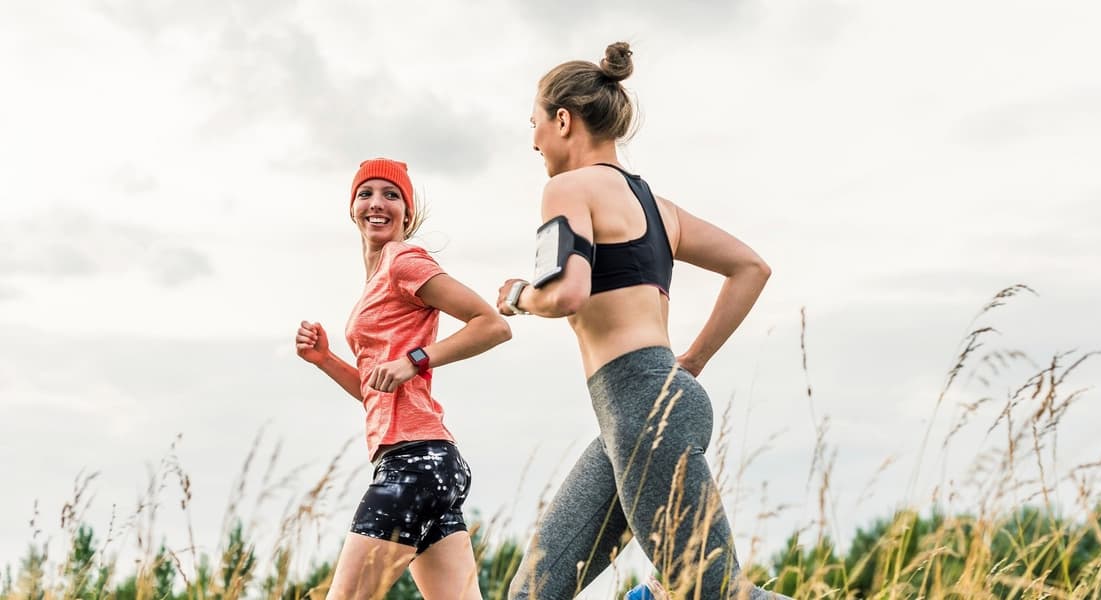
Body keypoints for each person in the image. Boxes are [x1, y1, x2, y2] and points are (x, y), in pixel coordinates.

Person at [497, 43, 781, 599]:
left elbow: (566, 293)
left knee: (717, 594)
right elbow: (750, 267)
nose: (533, 141)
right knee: (534, 592)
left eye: (534, 125)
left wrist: (517, 295)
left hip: (641, 410)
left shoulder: (566, 188)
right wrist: (691, 362)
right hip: (637, 412)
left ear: (563, 120)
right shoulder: (659, 207)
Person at [296, 158, 511, 600]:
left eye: (391, 195)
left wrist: (416, 359)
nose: (377, 203)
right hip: (432, 464)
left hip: (414, 464)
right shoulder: (375, 279)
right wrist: (325, 359)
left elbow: (491, 324)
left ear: (407, 214)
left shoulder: (403, 261)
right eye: (366, 193)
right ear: (352, 207)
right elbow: (376, 389)